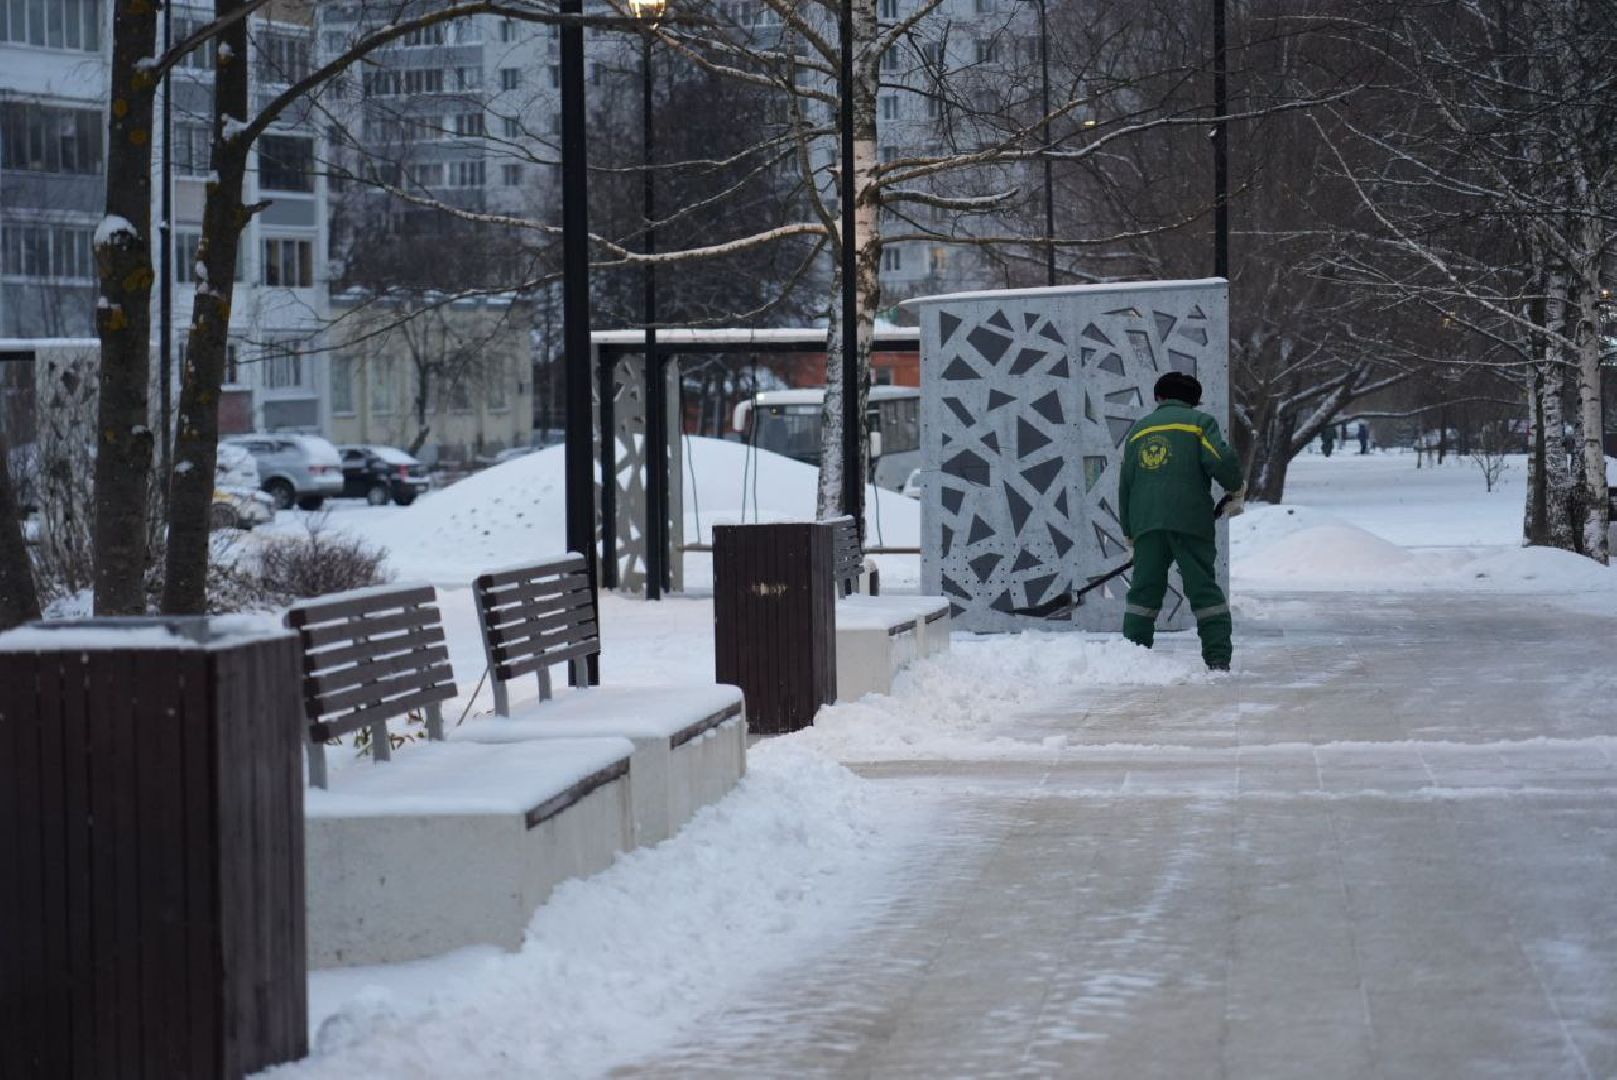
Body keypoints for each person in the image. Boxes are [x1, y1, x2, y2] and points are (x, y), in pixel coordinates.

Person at [1118, 372, 1246, 671]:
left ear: (1158, 398)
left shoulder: (1138, 432)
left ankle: (1134, 659)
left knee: (1143, 592)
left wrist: (1129, 535)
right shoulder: (1200, 423)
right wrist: (1236, 488)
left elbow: (1125, 486)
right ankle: (1217, 659)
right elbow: (1221, 460)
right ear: (1194, 400)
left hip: (1145, 522)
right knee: (1203, 589)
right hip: (1189, 519)